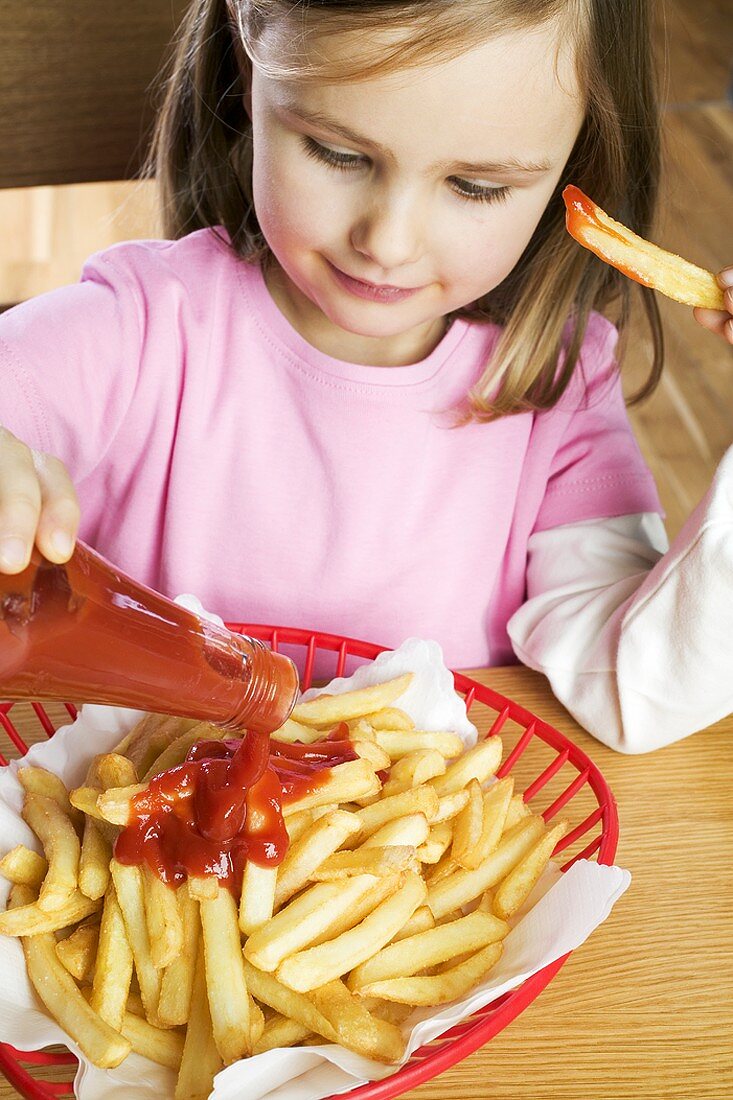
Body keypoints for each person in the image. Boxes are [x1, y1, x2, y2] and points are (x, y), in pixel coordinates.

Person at [0, 0, 730, 753]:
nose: (387, 241)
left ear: (573, 169)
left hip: (416, 862)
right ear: (249, 75)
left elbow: (633, 693)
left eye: (475, 187)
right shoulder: (139, 329)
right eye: (337, 153)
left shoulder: (558, 389)